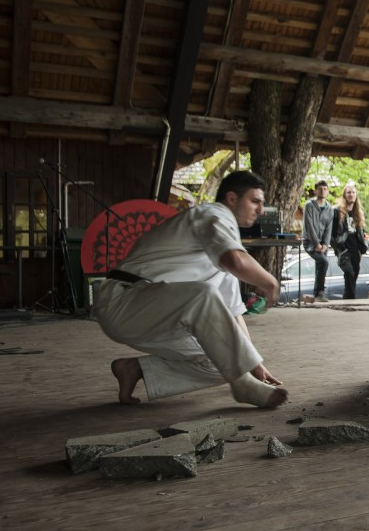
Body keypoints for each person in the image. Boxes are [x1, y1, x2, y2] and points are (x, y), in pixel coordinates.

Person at [93, 171, 288, 408]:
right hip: (124, 300)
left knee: (225, 359)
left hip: (156, 314)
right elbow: (236, 261)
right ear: (232, 199)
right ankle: (242, 385)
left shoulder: (224, 248)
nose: (260, 209)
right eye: (255, 201)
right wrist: (271, 282)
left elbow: (234, 315)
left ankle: (134, 369)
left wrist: (253, 363)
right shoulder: (212, 214)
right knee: (204, 295)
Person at [331, 183, 368, 299]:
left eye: (353, 192)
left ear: (356, 195)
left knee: (353, 276)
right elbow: (331, 233)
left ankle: (347, 300)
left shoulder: (358, 213)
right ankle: (352, 300)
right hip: (343, 249)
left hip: (356, 250)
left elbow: (361, 232)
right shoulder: (337, 212)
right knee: (349, 272)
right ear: (344, 195)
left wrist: (364, 245)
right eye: (348, 192)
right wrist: (336, 247)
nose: (351, 194)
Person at [302, 180, 335, 302]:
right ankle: (320, 293)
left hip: (323, 244)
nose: (323, 191)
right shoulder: (309, 205)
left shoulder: (329, 208)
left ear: (328, 191)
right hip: (310, 242)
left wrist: (325, 244)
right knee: (324, 262)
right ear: (315, 191)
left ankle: (317, 294)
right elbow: (309, 226)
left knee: (320, 266)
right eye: (320, 189)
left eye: (325, 189)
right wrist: (316, 244)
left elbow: (329, 228)